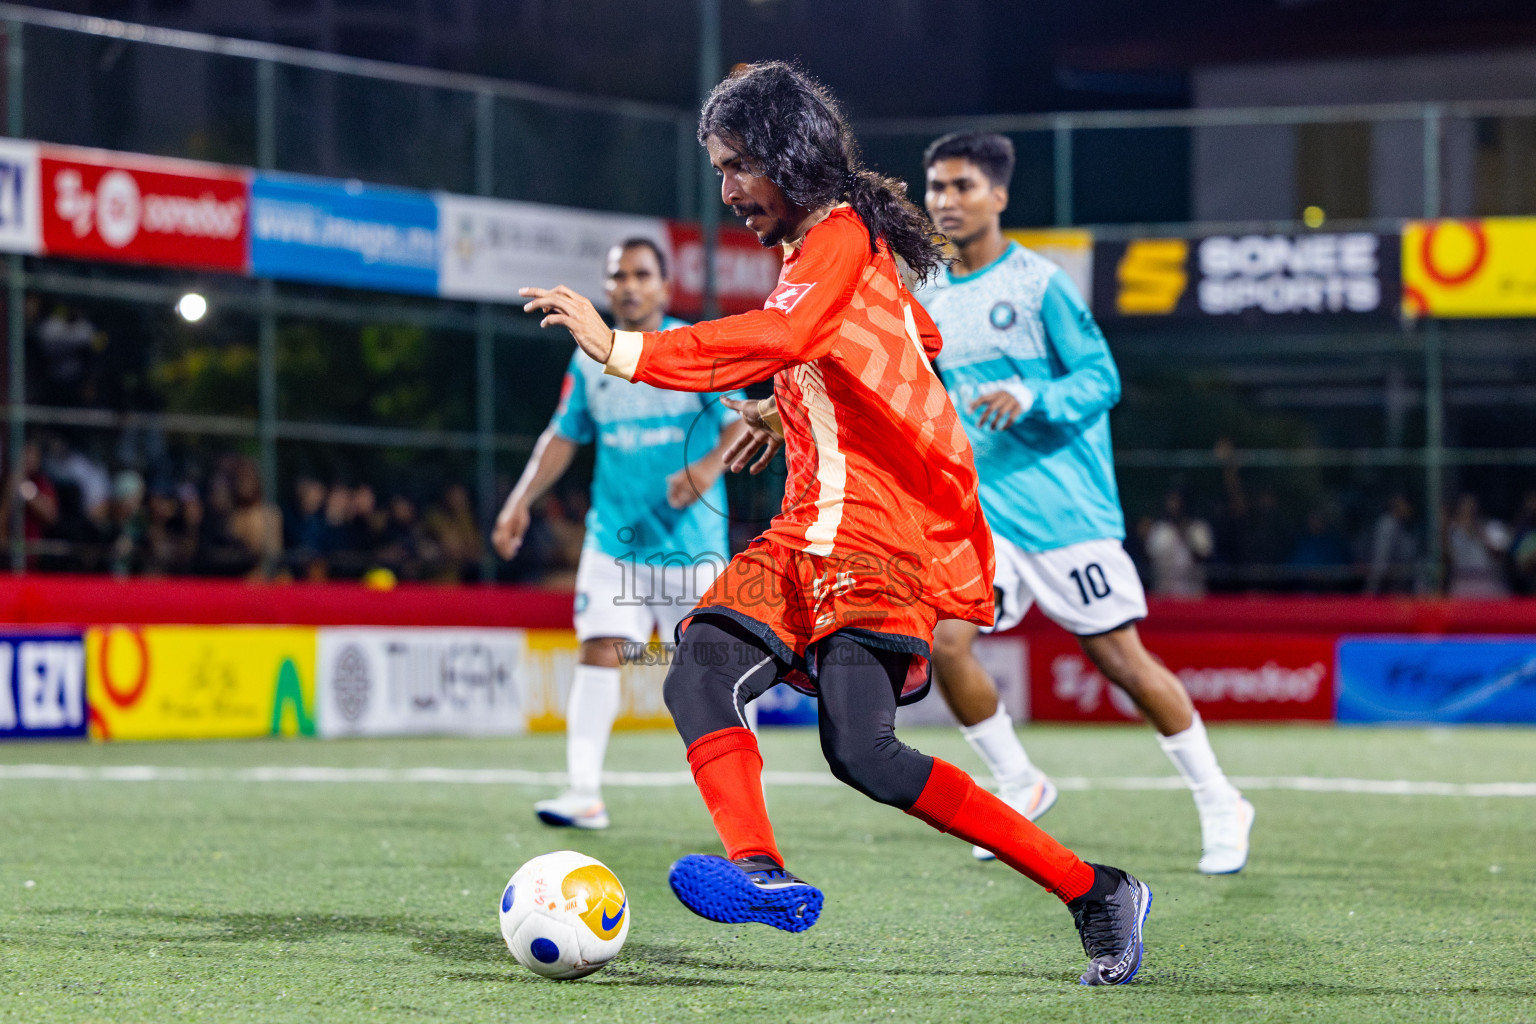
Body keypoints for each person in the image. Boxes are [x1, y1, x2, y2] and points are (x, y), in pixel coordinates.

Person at [520, 65, 1151, 987]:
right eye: (719, 170)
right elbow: (902, 342)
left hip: (876, 538)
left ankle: (1096, 890)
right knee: (696, 672)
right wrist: (797, 404)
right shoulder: (827, 245)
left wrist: (622, 347)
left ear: (789, 153)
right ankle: (760, 872)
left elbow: (786, 336)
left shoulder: (841, 234)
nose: (728, 189)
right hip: (807, 523)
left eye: (739, 166)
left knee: (863, 752)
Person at [917, 131, 1252, 875]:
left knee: (1123, 665)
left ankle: (1220, 799)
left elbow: (1102, 379)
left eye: (962, 186)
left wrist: (1032, 394)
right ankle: (1018, 782)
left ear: (998, 196)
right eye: (936, 187)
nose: (946, 200)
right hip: (988, 515)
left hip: (1068, 516)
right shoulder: (929, 294)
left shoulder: (1040, 285)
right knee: (943, 645)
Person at [494, 237, 746, 832]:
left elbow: (744, 419)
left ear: (663, 285)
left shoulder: (691, 346)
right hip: (616, 543)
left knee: (715, 670)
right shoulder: (588, 358)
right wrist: (520, 499)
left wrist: (707, 467)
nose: (629, 286)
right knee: (599, 647)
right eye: (618, 276)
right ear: (606, 288)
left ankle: (737, 809)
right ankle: (584, 792)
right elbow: (561, 437)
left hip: (694, 546)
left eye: (641, 274)